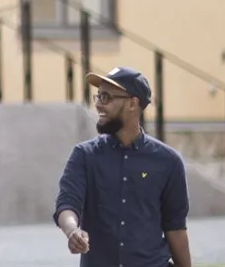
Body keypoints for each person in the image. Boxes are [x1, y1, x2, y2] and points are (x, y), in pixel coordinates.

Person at [54, 67, 193, 267]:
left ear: (132, 103)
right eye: (98, 97)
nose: (99, 105)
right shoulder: (84, 156)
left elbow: (176, 228)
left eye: (107, 97)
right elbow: (67, 204)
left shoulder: (168, 162)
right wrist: (72, 230)